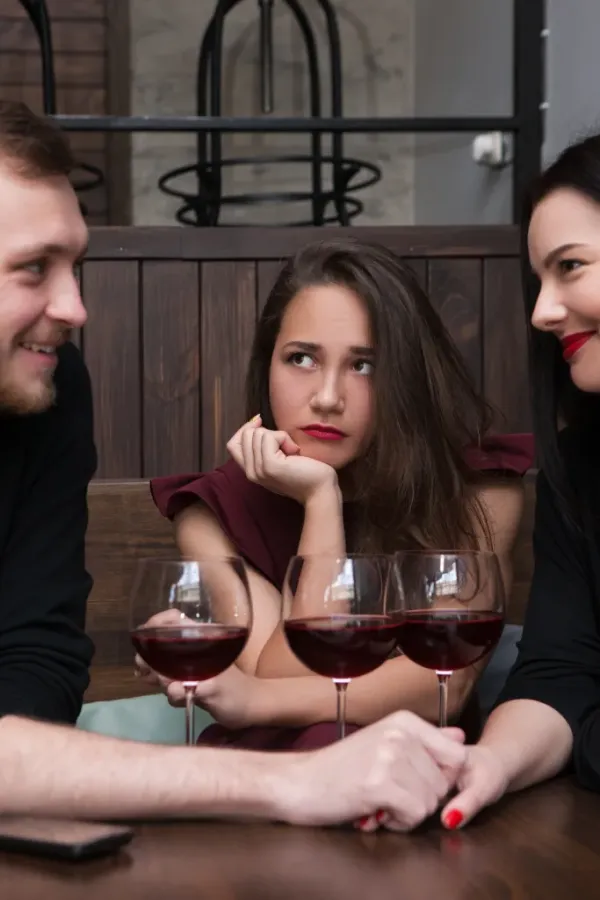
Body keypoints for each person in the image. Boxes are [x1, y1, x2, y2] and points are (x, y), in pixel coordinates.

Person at [0, 98, 481, 830]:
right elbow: (300, 673)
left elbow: (38, 655)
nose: (75, 308)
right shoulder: (217, 507)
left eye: (364, 365)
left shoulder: (52, 388)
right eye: (34, 268)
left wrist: (29, 777)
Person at [148, 238, 533, 754]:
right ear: (267, 365)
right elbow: (286, 671)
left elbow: (444, 686)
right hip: (273, 768)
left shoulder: (479, 490)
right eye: (301, 358)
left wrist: (252, 700)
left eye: (364, 366)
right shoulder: (211, 512)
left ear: (405, 378)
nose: (328, 398)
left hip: (412, 764)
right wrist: (321, 503)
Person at [437, 131, 600, 830]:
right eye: (540, 280)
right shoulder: (580, 465)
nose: (542, 312)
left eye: (571, 267)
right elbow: (560, 674)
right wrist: (490, 766)